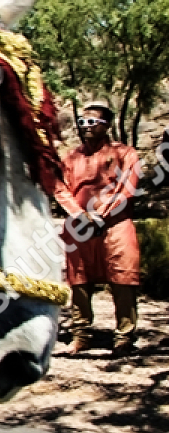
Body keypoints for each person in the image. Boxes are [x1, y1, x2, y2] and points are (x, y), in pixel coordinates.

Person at [54, 102, 140, 356]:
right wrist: (80, 215)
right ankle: (81, 334)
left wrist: (102, 215)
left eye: (93, 122)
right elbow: (60, 188)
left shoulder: (125, 153)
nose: (86, 127)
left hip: (116, 223)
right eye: (83, 122)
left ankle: (124, 335)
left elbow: (128, 187)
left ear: (107, 125)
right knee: (79, 279)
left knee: (123, 275)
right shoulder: (71, 157)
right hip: (80, 226)